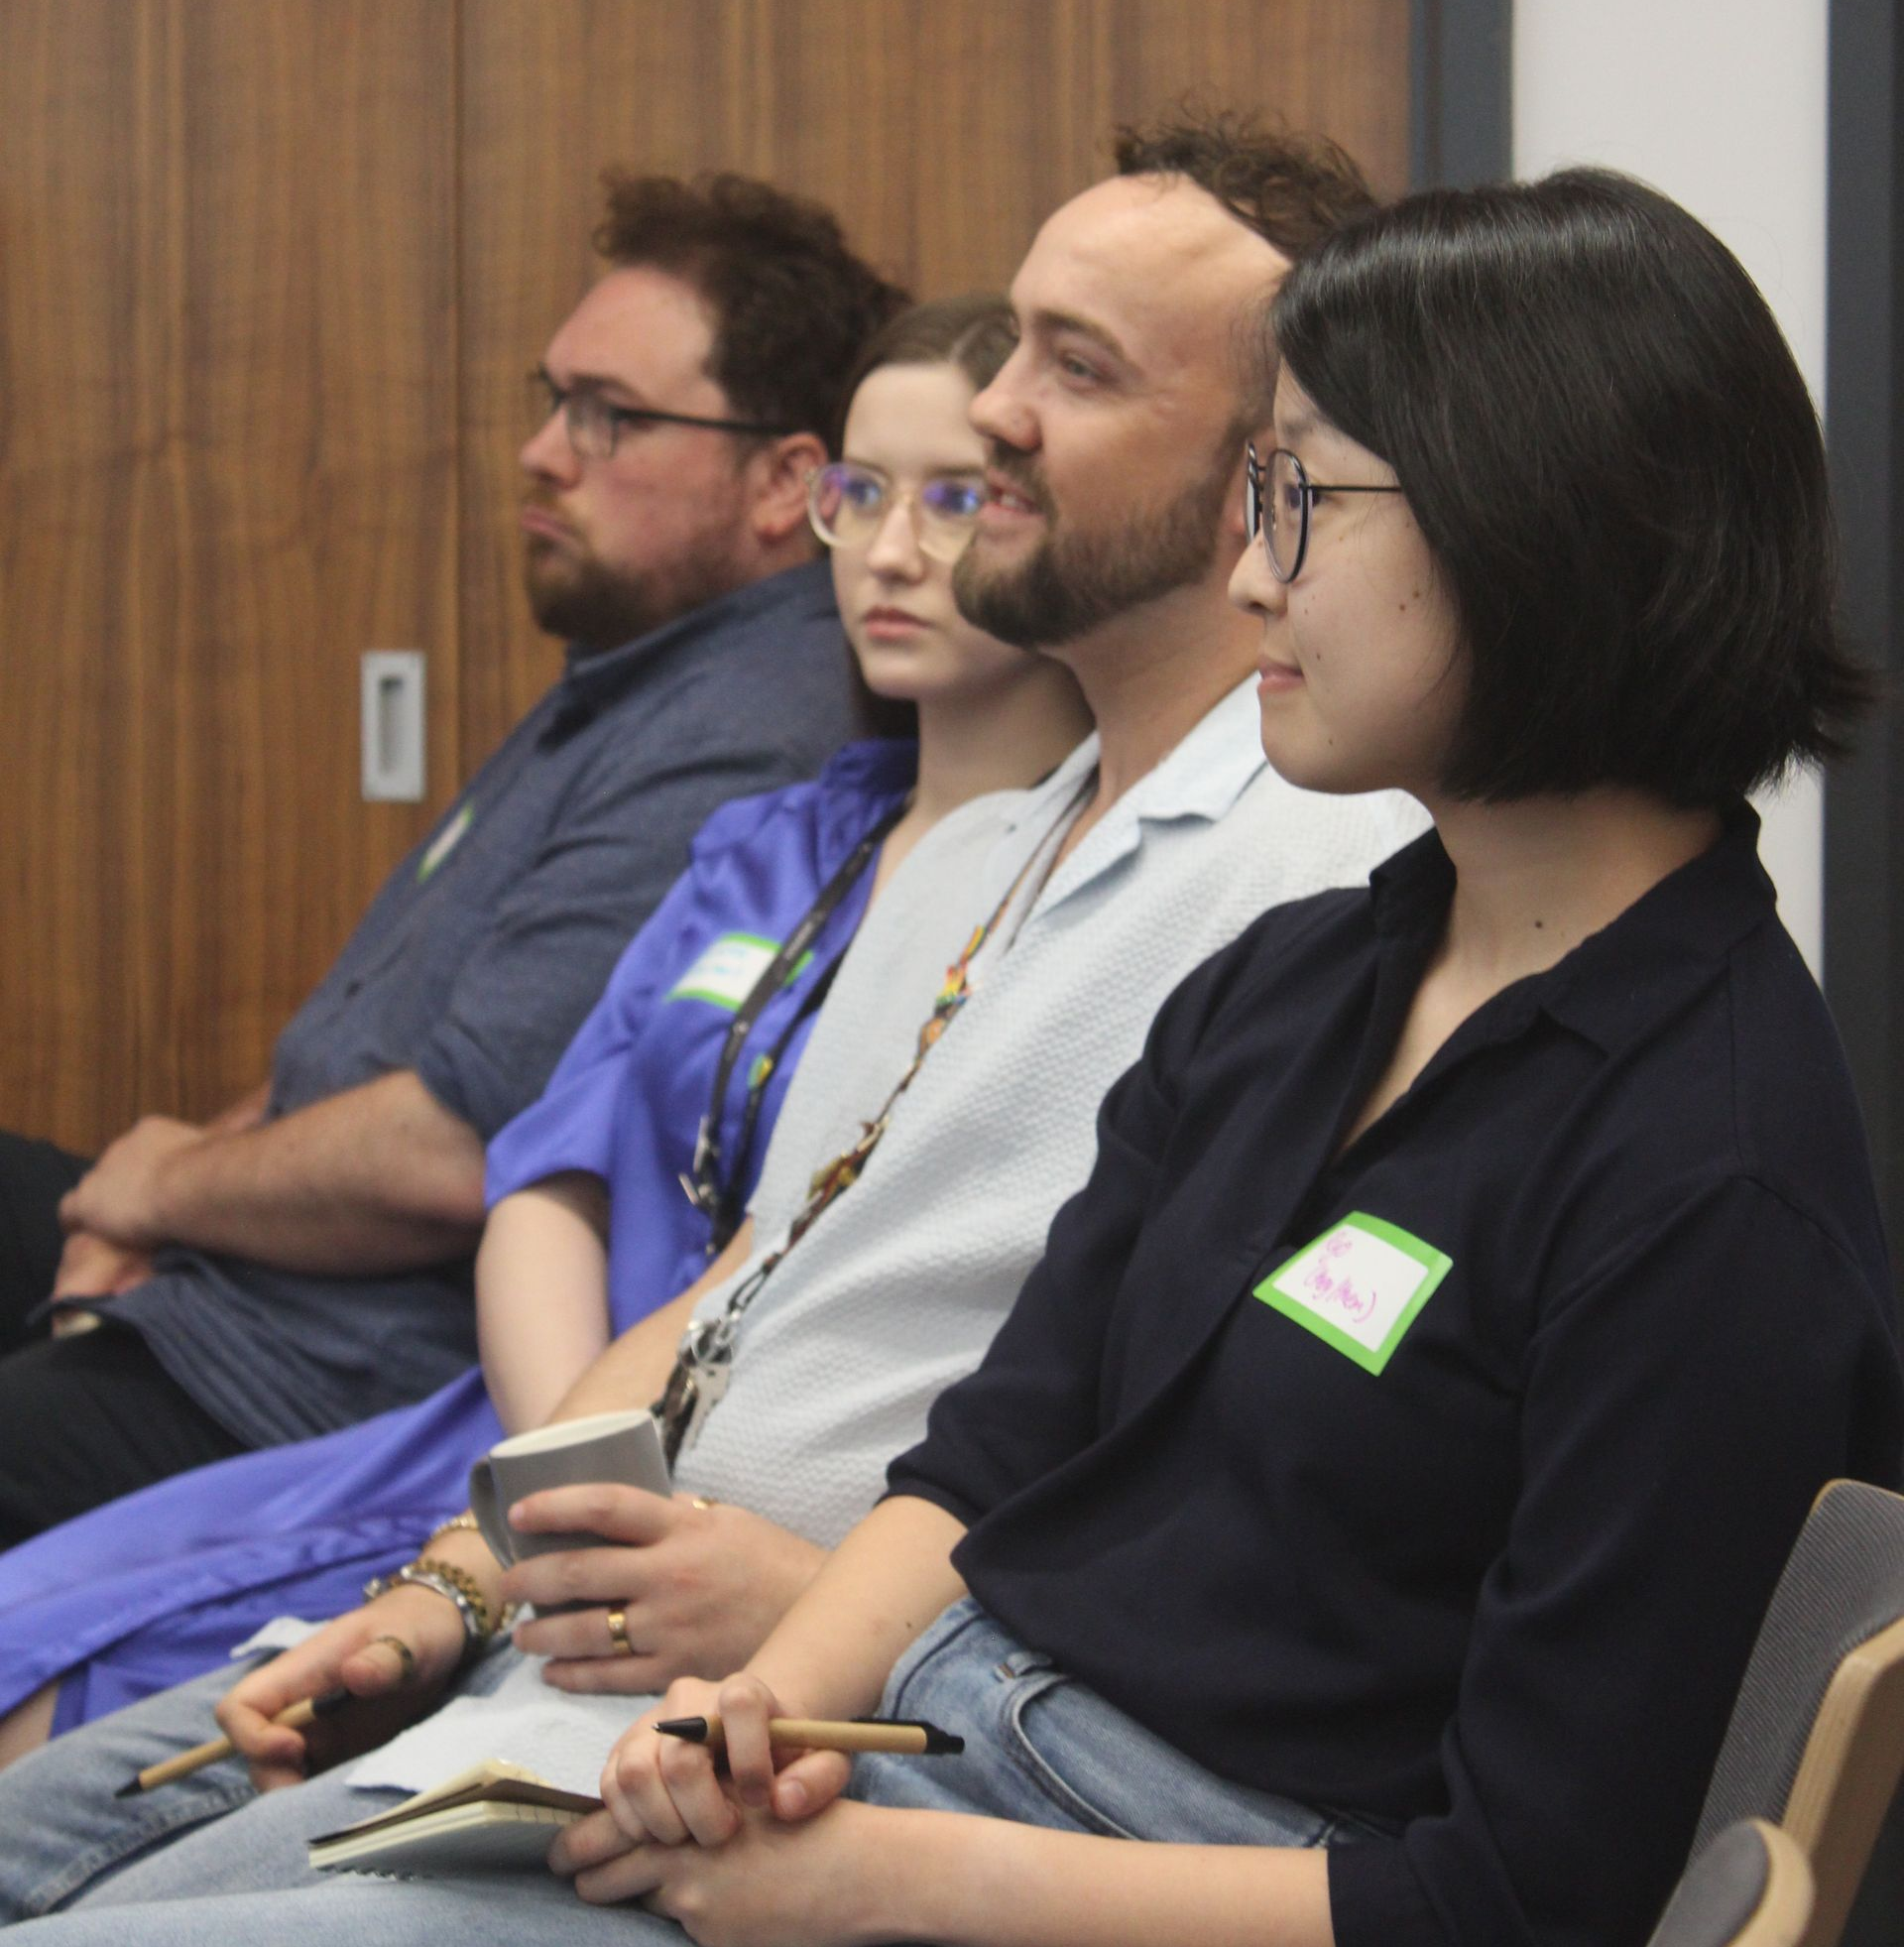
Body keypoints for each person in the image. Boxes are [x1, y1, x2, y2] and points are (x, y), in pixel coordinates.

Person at [0, 116, 1422, 1932]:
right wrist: (457, 1585)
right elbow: (732, 1287)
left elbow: (1213, 1476)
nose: (992, 419)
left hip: (801, 1738)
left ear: (1260, 470)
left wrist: (814, 1604)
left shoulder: (1327, 874)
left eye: (1076, 370)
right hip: (567, 1669)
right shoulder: (974, 844)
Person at [524, 171, 1901, 1947]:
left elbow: (1521, 1902)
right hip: (935, 1755)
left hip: (1089, 1867)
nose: (1250, 571)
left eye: (1302, 499)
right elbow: (998, 1450)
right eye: (1260, 496)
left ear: (1541, 523)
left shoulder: (1710, 1182)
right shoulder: (1298, 981)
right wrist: (754, 1712)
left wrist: (887, 1880)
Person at [0, 295, 1093, 1754]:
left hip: (752, 1494)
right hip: (543, 1424)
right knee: (39, 1625)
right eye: (862, 496)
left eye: (954, 500)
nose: (891, 552)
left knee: (96, 1709)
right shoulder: (772, 843)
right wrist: (569, 1465)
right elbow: (547, 1166)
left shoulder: (1077, 873)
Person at [0, 171, 907, 1545]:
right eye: (549, 400)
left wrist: (158, 1192)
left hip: (311, 1382)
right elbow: (354, 1052)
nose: (547, 450)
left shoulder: (748, 733)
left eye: (610, 416)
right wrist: (164, 1186)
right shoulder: (633, 666)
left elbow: (451, 1147)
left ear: (788, 480)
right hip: (240, 1280)